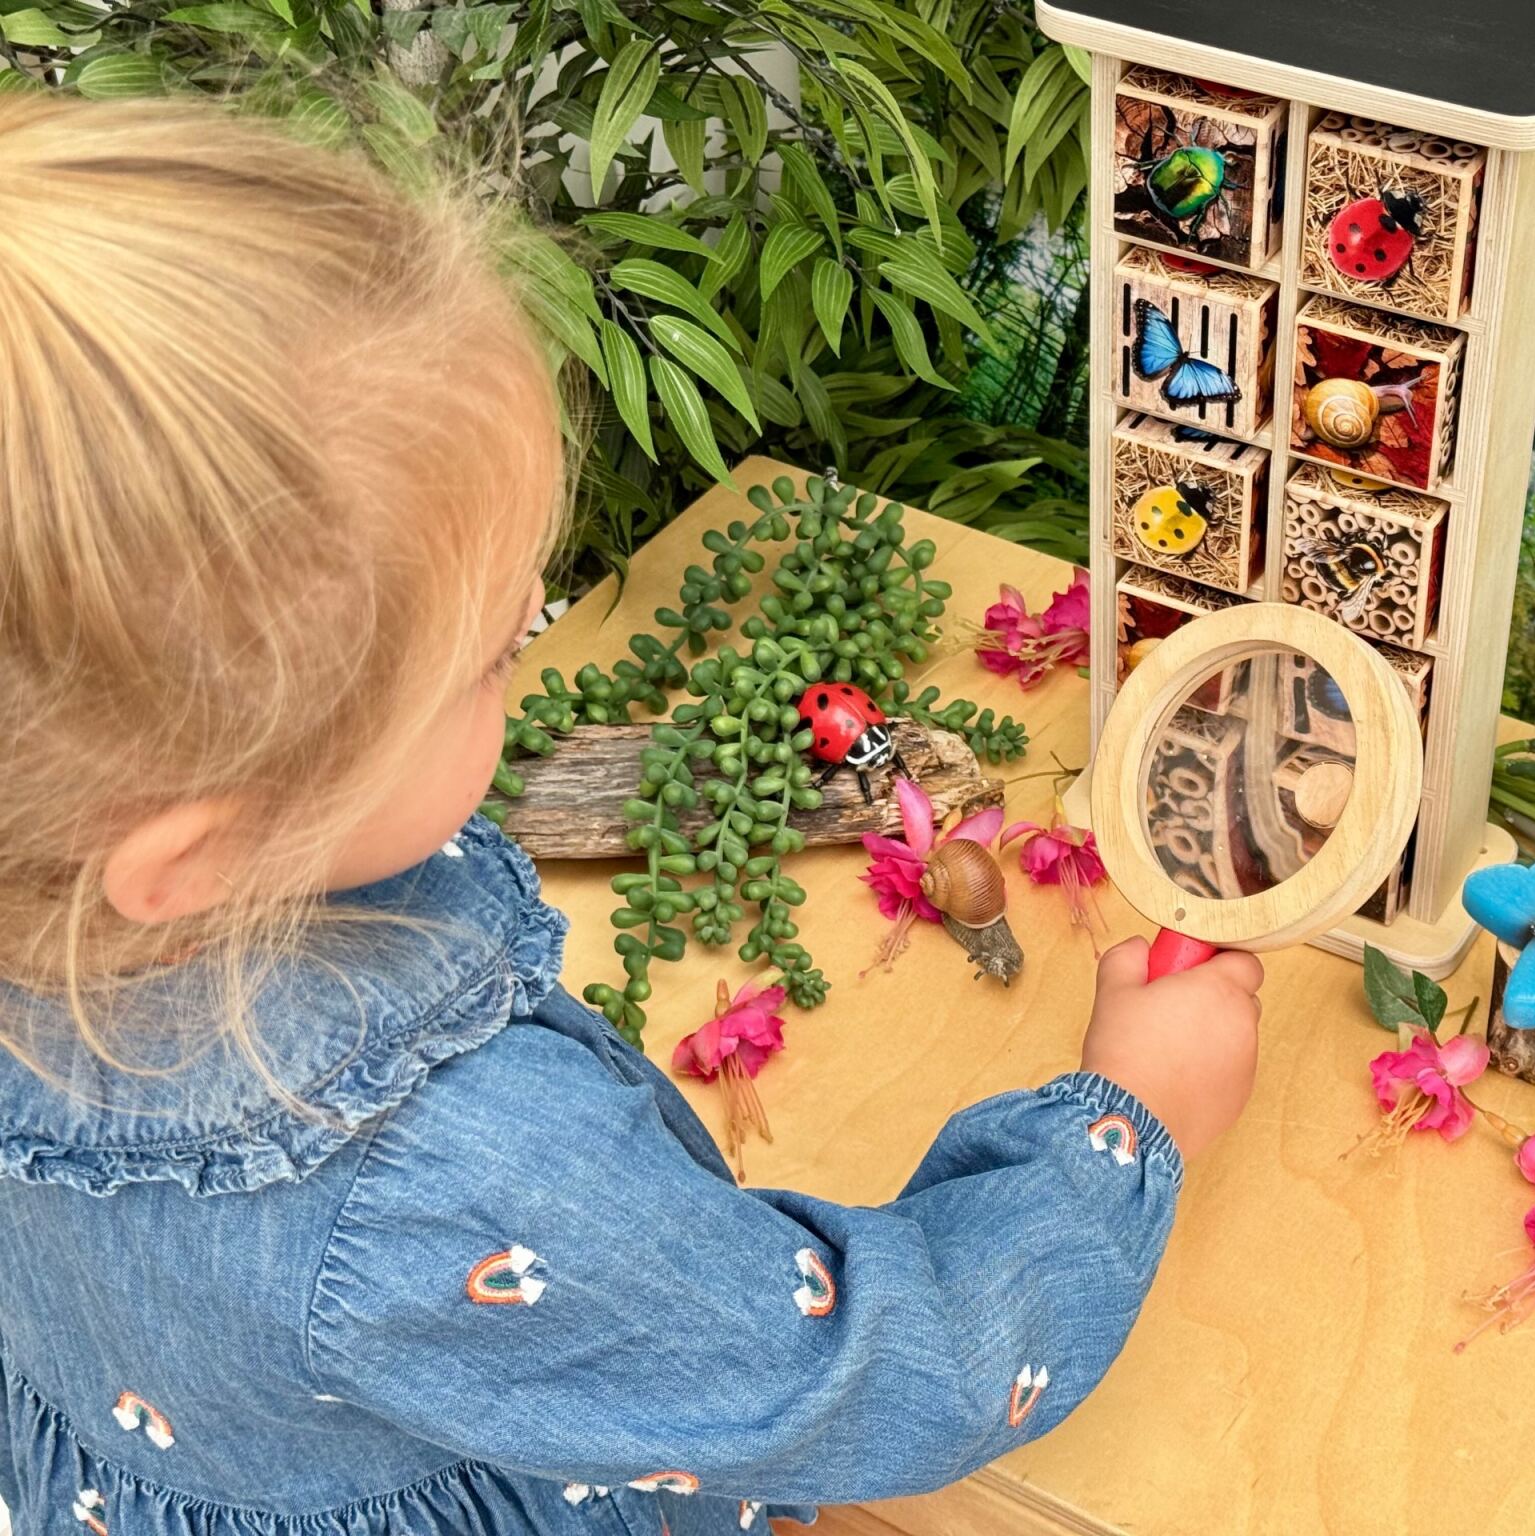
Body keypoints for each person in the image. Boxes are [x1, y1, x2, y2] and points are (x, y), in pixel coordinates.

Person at [0, 96, 1265, 1534]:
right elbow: (858, 1377)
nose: (536, 638)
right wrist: (1126, 1120)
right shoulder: (454, 1174)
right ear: (201, 853)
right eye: (488, 656)